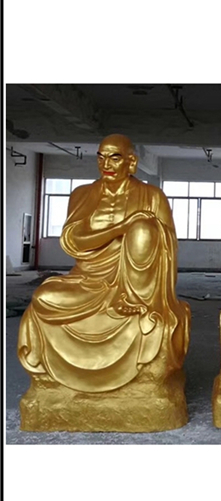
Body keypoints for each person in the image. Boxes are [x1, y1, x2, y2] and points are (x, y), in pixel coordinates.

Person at [18, 134, 190, 393]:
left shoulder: (152, 196)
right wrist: (119, 229)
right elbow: (73, 240)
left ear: (131, 162)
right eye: (101, 157)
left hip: (135, 286)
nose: (106, 164)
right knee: (43, 297)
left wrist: (140, 231)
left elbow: (168, 248)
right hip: (87, 279)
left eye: (115, 158)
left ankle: (133, 301)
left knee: (144, 229)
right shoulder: (82, 194)